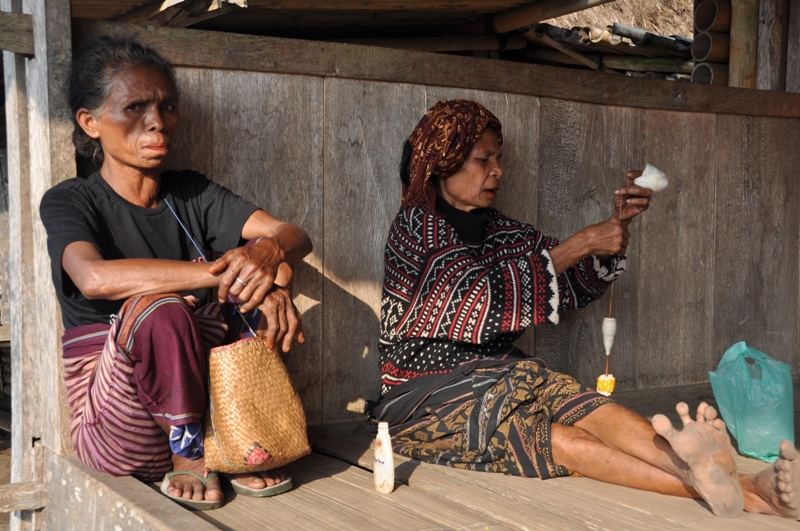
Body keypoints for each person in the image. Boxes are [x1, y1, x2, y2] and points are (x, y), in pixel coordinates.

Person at [367, 99, 799, 519]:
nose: (498, 170)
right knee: (566, 441)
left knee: (592, 408)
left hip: (504, 376)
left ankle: (721, 475)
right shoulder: (414, 228)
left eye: (498, 158)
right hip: (423, 400)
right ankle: (745, 491)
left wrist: (613, 233)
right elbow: (477, 300)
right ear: (443, 164)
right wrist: (584, 242)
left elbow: (568, 283)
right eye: (484, 159)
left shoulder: (502, 231)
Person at [39, 36, 312, 510]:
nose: (157, 122)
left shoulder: (190, 193)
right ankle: (189, 455)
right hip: (120, 429)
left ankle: (243, 441)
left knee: (263, 277)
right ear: (90, 122)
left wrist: (268, 260)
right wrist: (221, 273)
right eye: (135, 108)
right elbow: (93, 278)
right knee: (159, 307)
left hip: (214, 411)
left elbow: (295, 236)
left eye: (167, 106)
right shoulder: (71, 200)